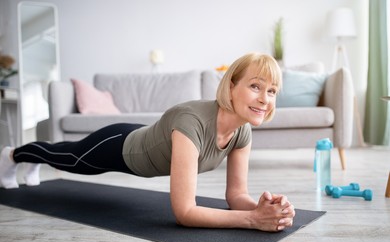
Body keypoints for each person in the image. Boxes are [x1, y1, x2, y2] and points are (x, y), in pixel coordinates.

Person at [0, 53, 295, 232]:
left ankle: (27, 162)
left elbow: (236, 197)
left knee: (62, 155)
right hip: (118, 146)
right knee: (65, 157)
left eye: (271, 91)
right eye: (255, 86)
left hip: (142, 139)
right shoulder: (191, 121)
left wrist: (264, 208)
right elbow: (185, 213)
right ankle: (13, 155)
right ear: (231, 87)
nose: (264, 99)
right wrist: (253, 221)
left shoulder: (242, 131)